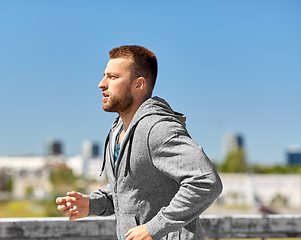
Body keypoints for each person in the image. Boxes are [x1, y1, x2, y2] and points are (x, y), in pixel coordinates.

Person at [56, 45, 223, 240]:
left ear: (139, 84)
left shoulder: (157, 128)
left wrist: (154, 228)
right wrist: (92, 204)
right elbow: (129, 192)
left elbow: (205, 181)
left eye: (113, 77)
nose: (101, 84)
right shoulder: (118, 129)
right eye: (104, 75)